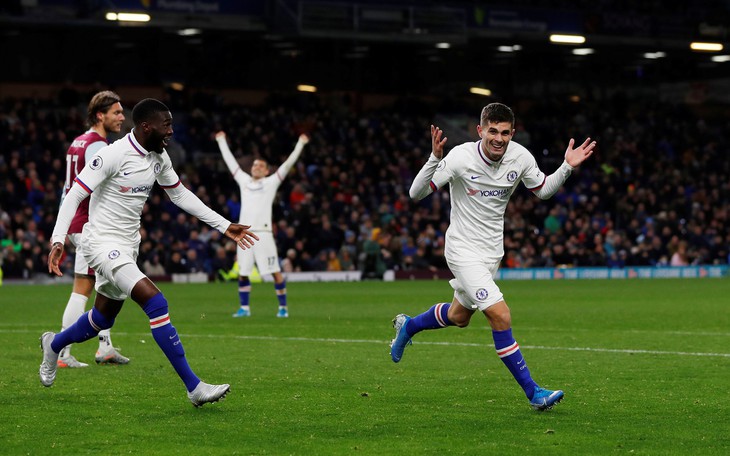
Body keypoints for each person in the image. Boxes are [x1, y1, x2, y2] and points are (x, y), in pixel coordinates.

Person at [41, 98, 258, 407]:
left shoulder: (159, 157)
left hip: (128, 246)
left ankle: (54, 343)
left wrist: (224, 226)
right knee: (156, 301)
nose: (170, 131)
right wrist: (58, 239)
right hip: (102, 244)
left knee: (102, 318)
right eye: (165, 125)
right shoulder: (113, 154)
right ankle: (194, 387)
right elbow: (75, 193)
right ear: (146, 126)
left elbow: (179, 193)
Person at [390, 103, 596, 411]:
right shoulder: (460, 157)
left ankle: (409, 326)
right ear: (480, 130)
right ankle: (534, 393)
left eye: (504, 133)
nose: (498, 139)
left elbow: (542, 190)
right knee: (500, 315)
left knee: (459, 317)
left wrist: (566, 167)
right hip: (462, 251)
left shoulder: (521, 157)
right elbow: (415, 193)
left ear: (512, 132)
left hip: (491, 254)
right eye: (492, 131)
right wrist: (435, 158)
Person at [56, 90, 130, 368]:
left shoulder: (78, 141)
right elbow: (104, 188)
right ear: (101, 115)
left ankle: (105, 347)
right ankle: (62, 353)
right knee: (84, 288)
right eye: (117, 112)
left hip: (79, 221)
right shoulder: (99, 146)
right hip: (89, 224)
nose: (123, 117)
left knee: (105, 284)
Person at [215, 131, 309, 318]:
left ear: (267, 171)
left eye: (261, 166)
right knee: (243, 272)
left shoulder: (271, 182)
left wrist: (300, 143)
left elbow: (287, 164)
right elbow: (230, 162)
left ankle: (283, 308)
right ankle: (245, 309)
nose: (256, 167)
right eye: (255, 165)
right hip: (243, 233)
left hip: (264, 234)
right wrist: (221, 141)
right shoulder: (243, 181)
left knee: (274, 271)